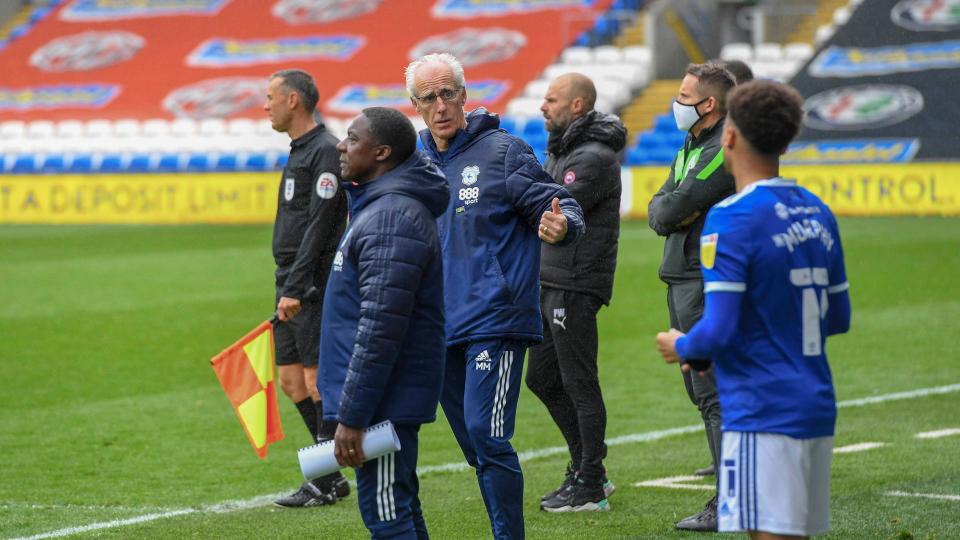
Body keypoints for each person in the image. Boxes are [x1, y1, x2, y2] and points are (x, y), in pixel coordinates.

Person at [655, 79, 851, 539]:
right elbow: (838, 317)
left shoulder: (732, 217)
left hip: (762, 410)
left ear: (729, 136)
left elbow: (717, 332)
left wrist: (681, 344)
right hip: (816, 404)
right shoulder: (818, 210)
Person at [405, 53, 585, 539]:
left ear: (464, 95)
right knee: (476, 449)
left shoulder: (504, 152)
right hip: (437, 329)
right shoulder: (413, 165)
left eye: (448, 93)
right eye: (429, 97)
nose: (440, 105)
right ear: (415, 105)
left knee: (488, 434)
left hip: (495, 320)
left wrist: (563, 224)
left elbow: (561, 202)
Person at [321, 107, 450, 539]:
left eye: (352, 139)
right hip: (381, 399)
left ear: (381, 152)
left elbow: (381, 325)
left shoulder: (391, 217)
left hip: (382, 404)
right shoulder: (380, 208)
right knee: (397, 507)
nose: (341, 145)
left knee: (387, 516)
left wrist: (355, 415)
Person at [526, 73, 625, 512]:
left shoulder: (592, 158)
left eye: (551, 99)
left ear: (578, 105)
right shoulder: (565, 149)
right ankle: (586, 469)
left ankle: (591, 482)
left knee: (578, 381)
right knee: (542, 378)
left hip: (576, 281)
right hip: (554, 279)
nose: (543, 107)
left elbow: (548, 206)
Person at [646, 62, 737, 531]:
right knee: (705, 393)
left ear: (709, 104)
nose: (676, 103)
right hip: (683, 277)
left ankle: (730, 502)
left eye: (684, 96)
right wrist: (672, 207)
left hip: (702, 278)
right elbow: (660, 208)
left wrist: (675, 207)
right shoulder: (693, 143)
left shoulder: (721, 146)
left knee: (713, 392)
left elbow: (675, 206)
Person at [264, 69, 350, 508]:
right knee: (291, 381)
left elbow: (320, 227)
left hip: (311, 285)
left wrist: (298, 286)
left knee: (317, 381)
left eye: (271, 97)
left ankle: (324, 478)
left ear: (294, 100)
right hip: (290, 281)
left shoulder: (324, 151)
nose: (266, 105)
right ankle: (330, 477)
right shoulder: (299, 149)